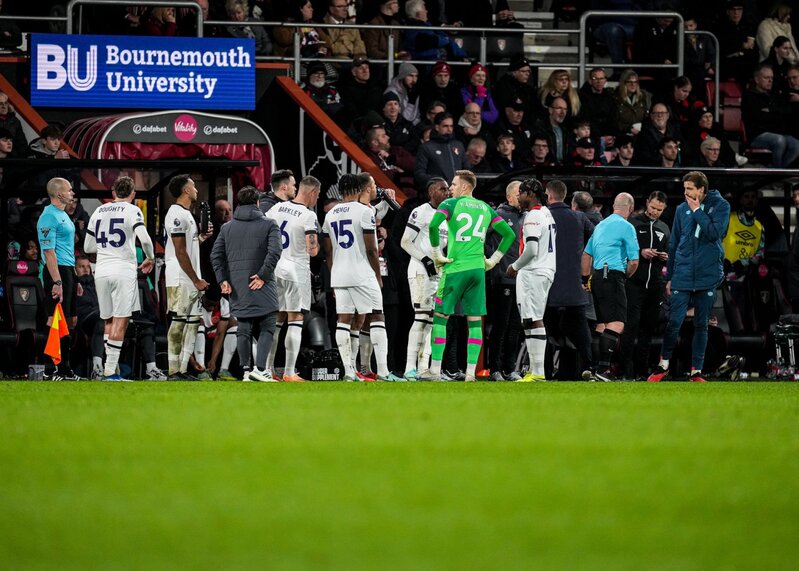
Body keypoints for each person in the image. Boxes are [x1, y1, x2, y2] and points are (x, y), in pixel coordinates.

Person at [420, 170, 516, 381]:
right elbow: (510, 234)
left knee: (440, 318)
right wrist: (493, 260)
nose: (450, 189)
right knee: (474, 322)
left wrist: (437, 254)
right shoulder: (486, 208)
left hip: (455, 268)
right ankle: (471, 374)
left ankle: (435, 371)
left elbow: (434, 225)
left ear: (464, 186)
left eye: (453, 185)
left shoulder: (450, 205)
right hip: (478, 271)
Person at [648, 171, 731, 383]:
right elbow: (674, 243)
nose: (685, 193)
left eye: (690, 189)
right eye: (684, 189)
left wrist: (697, 211)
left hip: (707, 273)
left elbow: (714, 234)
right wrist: (671, 276)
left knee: (701, 324)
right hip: (683, 273)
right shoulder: (681, 209)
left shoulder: (721, 206)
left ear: (701, 189)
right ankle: (663, 365)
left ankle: (696, 372)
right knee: (673, 321)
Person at [322, 173, 402, 381]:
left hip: (339, 274)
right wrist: (377, 275)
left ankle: (349, 372)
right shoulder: (364, 212)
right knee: (377, 316)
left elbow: (328, 251)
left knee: (344, 320)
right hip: (362, 272)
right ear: (359, 189)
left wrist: (334, 274)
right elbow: (371, 250)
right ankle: (383, 372)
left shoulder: (330, 214)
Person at [83, 176, 156, 381]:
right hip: (123, 270)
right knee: (121, 320)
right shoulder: (133, 210)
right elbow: (146, 239)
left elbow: (88, 247)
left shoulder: (98, 211)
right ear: (133, 194)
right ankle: (110, 373)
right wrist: (150, 257)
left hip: (102, 271)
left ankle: (110, 370)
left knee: (107, 319)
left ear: (114, 193)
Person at [211, 185, 282, 381]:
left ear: (239, 204)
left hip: (238, 285)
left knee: (243, 327)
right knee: (268, 325)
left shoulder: (226, 228)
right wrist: (262, 275)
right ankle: (260, 370)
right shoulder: (270, 224)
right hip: (262, 283)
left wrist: (223, 280)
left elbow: (216, 256)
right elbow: (275, 252)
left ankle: (245, 371)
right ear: (258, 202)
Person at [264, 176, 321, 381]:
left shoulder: (275, 209)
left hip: (274, 269)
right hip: (296, 271)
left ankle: (267, 370)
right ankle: (289, 372)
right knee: (295, 319)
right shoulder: (308, 215)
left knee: (276, 320)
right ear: (313, 192)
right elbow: (312, 250)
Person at [581, 192, 639, 381]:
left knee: (602, 324)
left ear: (614, 206)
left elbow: (586, 256)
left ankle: (593, 368)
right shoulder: (627, 227)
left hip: (596, 277)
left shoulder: (600, 226)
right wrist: (625, 276)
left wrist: (585, 279)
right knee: (617, 323)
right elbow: (634, 261)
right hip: (612, 275)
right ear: (630, 208)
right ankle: (603, 370)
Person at [506, 179, 556, 382]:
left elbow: (532, 249)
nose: (518, 197)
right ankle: (536, 372)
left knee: (533, 319)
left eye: (521, 193)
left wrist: (514, 266)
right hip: (544, 269)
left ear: (530, 194)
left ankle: (537, 372)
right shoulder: (546, 212)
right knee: (530, 319)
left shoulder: (533, 216)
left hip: (534, 271)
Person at [400, 177, 450, 379]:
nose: (447, 192)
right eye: (442, 189)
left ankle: (424, 368)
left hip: (438, 274)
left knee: (432, 321)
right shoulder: (420, 212)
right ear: (431, 192)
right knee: (421, 318)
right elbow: (405, 242)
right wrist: (426, 260)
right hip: (420, 271)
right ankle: (409, 368)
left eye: (448, 188)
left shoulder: (448, 216)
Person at [544, 180, 594, 379]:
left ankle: (545, 373)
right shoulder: (579, 217)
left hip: (549, 286)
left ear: (548, 195)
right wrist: (585, 264)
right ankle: (588, 368)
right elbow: (596, 238)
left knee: (544, 332)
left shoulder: (543, 217)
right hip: (575, 286)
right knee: (581, 334)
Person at [164, 174, 212, 380]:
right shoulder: (176, 214)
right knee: (178, 321)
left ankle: (183, 369)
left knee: (192, 322)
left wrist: (201, 238)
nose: (196, 190)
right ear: (185, 190)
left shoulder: (187, 214)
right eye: (193, 186)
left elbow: (189, 249)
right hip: (180, 277)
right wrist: (195, 280)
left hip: (190, 278)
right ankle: (173, 370)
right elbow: (180, 252)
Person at [619, 191, 670, 379]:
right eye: (653, 207)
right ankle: (625, 370)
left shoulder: (664, 227)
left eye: (659, 209)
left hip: (655, 284)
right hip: (633, 283)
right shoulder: (632, 224)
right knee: (630, 327)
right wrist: (640, 252)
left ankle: (642, 371)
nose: (655, 212)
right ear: (647, 202)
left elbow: (668, 250)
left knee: (648, 329)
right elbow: (622, 249)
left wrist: (665, 256)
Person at [37, 177, 83, 380]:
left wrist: (76, 279)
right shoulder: (48, 217)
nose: (73, 193)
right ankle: (50, 368)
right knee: (54, 318)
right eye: (69, 190)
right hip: (55, 272)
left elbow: (67, 249)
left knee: (71, 320)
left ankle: (65, 368)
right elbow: (49, 252)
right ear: (59, 194)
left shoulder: (63, 215)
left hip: (68, 270)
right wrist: (57, 282)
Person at [485, 180, 523, 382]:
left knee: (515, 326)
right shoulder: (498, 215)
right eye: (518, 193)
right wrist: (496, 261)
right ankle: (495, 369)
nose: (522, 196)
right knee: (501, 324)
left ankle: (510, 368)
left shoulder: (525, 217)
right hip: (502, 279)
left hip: (521, 280)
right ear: (509, 196)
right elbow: (482, 240)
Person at [742, 63, 799, 168]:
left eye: (771, 78)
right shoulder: (749, 97)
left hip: (777, 133)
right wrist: (776, 115)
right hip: (756, 135)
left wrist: (771, 111)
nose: (770, 81)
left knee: (796, 144)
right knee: (779, 140)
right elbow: (759, 118)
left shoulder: (774, 96)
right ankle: (775, 174)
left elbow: (787, 111)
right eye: (766, 78)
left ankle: (778, 172)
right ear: (757, 79)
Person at [415, 111, 467, 188]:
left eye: (451, 126)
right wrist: (437, 182)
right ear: (437, 127)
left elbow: (467, 169)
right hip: (436, 193)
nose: (449, 129)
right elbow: (419, 173)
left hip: (458, 192)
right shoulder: (426, 147)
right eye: (445, 126)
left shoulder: (459, 145)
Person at [0, 91, 29, 156]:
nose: (4, 106)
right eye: (0, 104)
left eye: (5, 103)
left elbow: (22, 144)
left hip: (12, 158)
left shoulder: (15, 121)